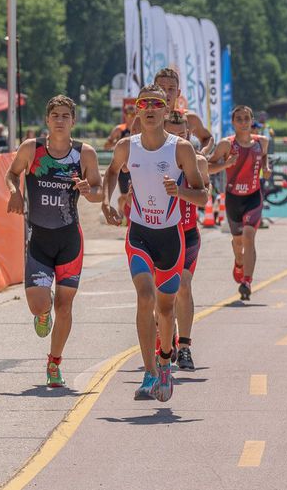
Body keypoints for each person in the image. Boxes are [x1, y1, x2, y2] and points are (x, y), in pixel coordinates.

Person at [102, 85, 208, 401]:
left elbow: (203, 196)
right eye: (143, 104)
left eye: (156, 104)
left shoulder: (181, 150)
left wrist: (181, 193)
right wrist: (106, 202)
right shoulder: (126, 146)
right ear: (137, 110)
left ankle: (164, 360)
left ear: (165, 110)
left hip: (170, 238)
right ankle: (149, 373)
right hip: (139, 234)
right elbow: (110, 173)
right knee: (145, 297)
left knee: (165, 308)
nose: (149, 109)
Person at [6, 95, 104, 388]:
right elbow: (11, 173)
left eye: (65, 116)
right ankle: (42, 314)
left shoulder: (83, 154)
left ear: (73, 121)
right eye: (55, 115)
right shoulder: (31, 149)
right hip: (39, 238)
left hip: (69, 239)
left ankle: (54, 363)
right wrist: (15, 191)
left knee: (65, 305)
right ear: (47, 120)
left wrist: (89, 190)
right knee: (40, 305)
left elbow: (99, 192)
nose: (60, 120)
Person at [162, 110, 211, 371]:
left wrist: (181, 192)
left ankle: (184, 347)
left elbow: (204, 195)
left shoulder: (198, 162)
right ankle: (166, 335)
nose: (179, 140)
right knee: (162, 295)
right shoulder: (153, 159)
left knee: (183, 287)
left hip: (188, 232)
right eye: (173, 135)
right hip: (160, 233)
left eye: (183, 135)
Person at [208, 105, 271, 300]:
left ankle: (247, 281)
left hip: (253, 197)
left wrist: (266, 168)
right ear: (233, 123)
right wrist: (226, 164)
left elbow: (264, 158)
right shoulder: (226, 145)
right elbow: (208, 166)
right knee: (237, 242)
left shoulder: (262, 142)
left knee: (249, 236)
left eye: (246, 118)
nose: (243, 122)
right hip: (234, 198)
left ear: (252, 121)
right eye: (239, 119)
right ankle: (238, 262)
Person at [149, 68, 214, 154]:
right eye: (162, 88)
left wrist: (202, 154)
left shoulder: (190, 118)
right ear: (154, 91)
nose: (166, 93)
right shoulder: (145, 119)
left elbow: (208, 138)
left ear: (178, 93)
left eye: (171, 89)